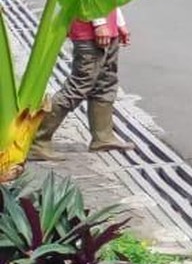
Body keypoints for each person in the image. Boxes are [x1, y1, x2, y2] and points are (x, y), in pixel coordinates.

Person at [29, 8, 138, 160]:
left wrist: (119, 23)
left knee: (105, 82)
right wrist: (99, 23)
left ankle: (103, 137)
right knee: (78, 87)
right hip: (90, 30)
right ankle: (37, 141)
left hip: (107, 28)